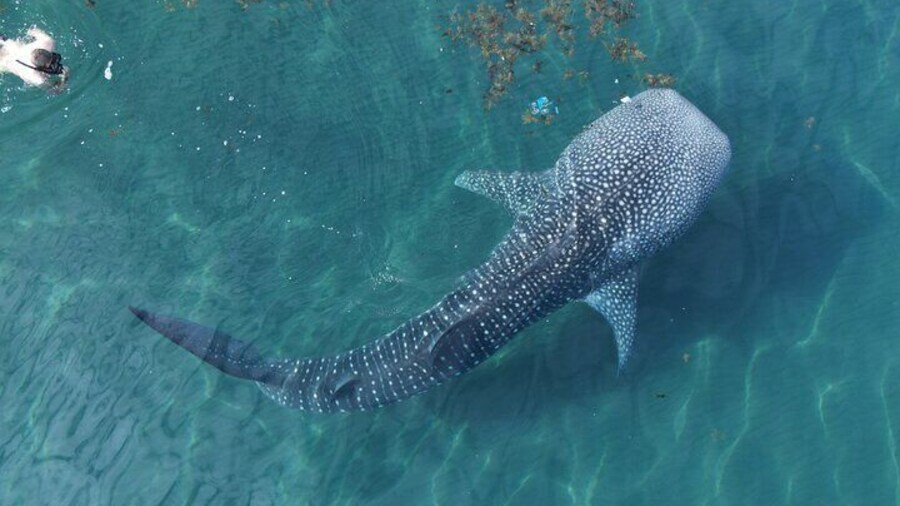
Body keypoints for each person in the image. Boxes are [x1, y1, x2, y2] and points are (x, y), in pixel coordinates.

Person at [0, 27, 69, 92]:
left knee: (9, 43)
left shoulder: (47, 42)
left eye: (53, 60)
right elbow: (55, 90)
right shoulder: (36, 77)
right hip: (5, 63)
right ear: (38, 67)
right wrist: (65, 78)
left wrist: (31, 32)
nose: (54, 64)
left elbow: (32, 30)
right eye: (50, 65)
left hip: (12, 47)